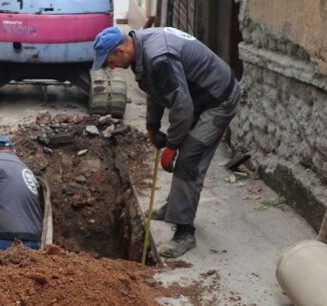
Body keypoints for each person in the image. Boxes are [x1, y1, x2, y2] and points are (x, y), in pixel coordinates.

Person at [92, 26, 240, 258]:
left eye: (109, 61)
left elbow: (182, 107)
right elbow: (156, 89)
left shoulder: (159, 57)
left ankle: (184, 232)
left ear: (121, 50)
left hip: (218, 99)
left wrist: (172, 145)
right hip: (198, 96)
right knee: (185, 147)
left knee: (190, 158)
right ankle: (175, 206)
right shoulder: (142, 50)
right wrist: (152, 126)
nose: (109, 67)